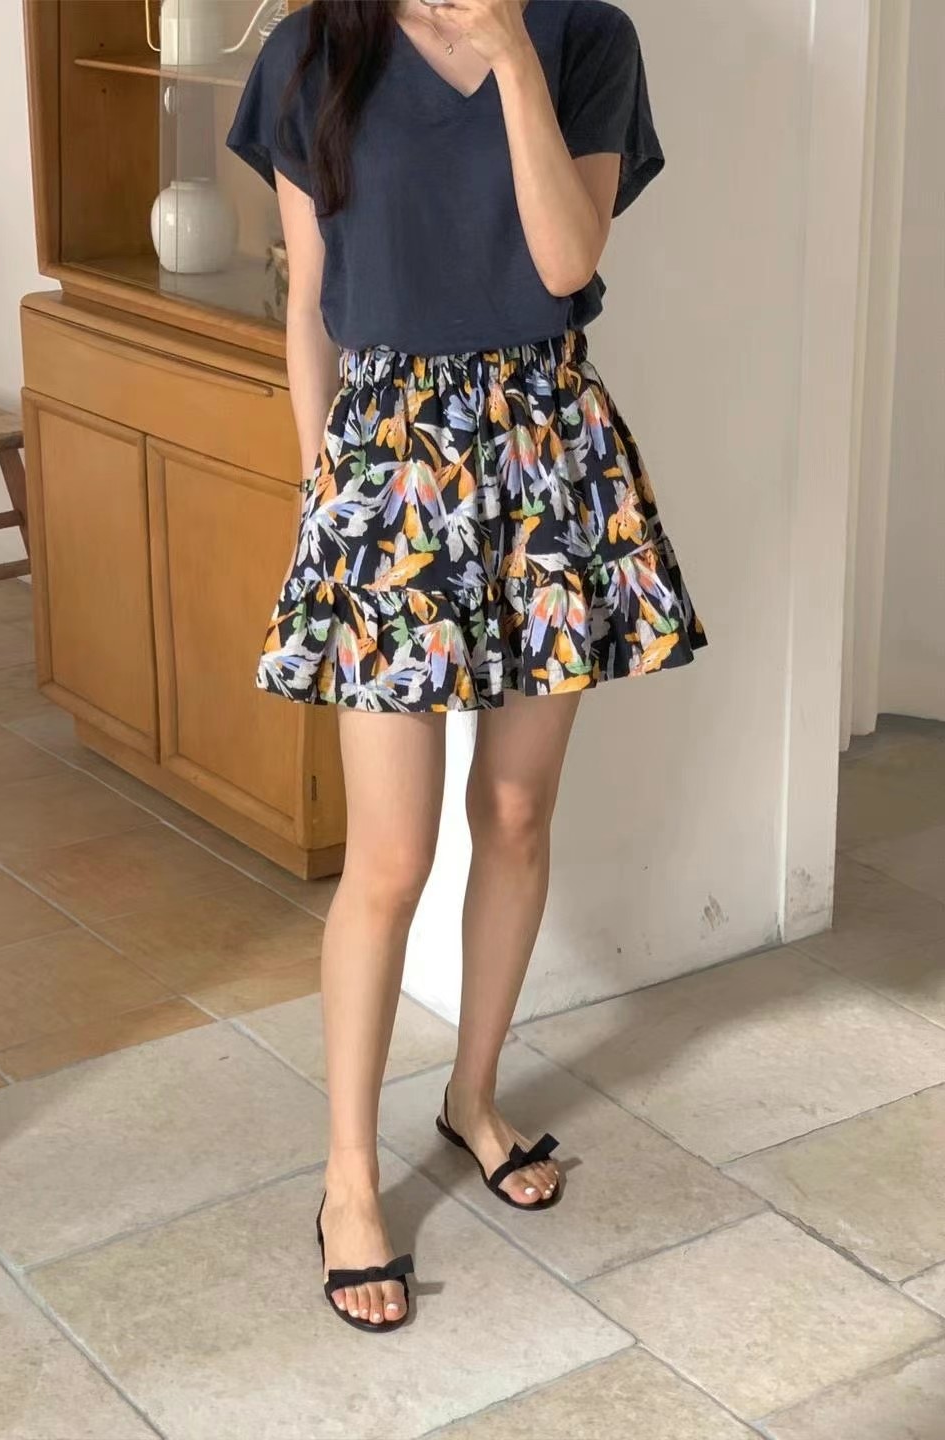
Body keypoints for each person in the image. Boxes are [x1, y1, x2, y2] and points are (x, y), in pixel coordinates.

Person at [225, 0, 707, 1333]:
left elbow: (565, 259)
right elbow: (309, 305)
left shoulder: (585, 38)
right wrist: (327, 497)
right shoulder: (309, 50)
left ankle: (474, 1097)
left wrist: (508, 56)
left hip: (545, 453)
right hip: (387, 463)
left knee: (515, 812)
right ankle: (347, 1178)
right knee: (389, 856)